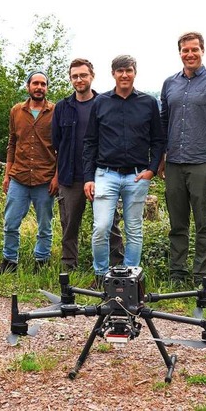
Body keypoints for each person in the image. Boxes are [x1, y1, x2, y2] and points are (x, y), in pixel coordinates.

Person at [159, 31, 206, 287]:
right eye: (185, 50)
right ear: (179, 52)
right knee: (177, 222)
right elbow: (163, 121)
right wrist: (160, 157)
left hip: (203, 161)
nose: (189, 54)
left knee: (204, 221)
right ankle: (177, 274)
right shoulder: (170, 83)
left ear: (202, 51)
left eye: (194, 49)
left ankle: (202, 275)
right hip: (174, 163)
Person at [83, 55, 165, 286]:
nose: (124, 75)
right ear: (113, 74)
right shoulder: (101, 103)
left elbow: (158, 140)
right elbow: (90, 141)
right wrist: (88, 178)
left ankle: (130, 278)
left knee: (134, 228)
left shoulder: (148, 103)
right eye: (120, 71)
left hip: (137, 175)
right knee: (101, 227)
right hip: (105, 174)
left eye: (128, 70)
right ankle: (101, 276)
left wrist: (151, 169)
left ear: (134, 73)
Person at [52, 58, 124, 272]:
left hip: (102, 174)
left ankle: (117, 269)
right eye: (75, 76)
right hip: (71, 175)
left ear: (92, 76)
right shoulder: (62, 107)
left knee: (109, 224)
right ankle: (69, 267)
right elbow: (56, 141)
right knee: (69, 224)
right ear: (70, 79)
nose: (79, 79)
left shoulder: (106, 103)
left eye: (83, 75)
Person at [0, 71, 57, 275]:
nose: (39, 87)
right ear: (28, 86)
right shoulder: (17, 111)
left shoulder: (55, 111)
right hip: (19, 175)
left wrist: (57, 177)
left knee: (44, 224)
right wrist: (7, 174)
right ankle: (9, 262)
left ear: (46, 88)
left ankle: (41, 262)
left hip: (45, 177)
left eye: (43, 84)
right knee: (11, 222)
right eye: (35, 83)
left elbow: (61, 146)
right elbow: (12, 143)